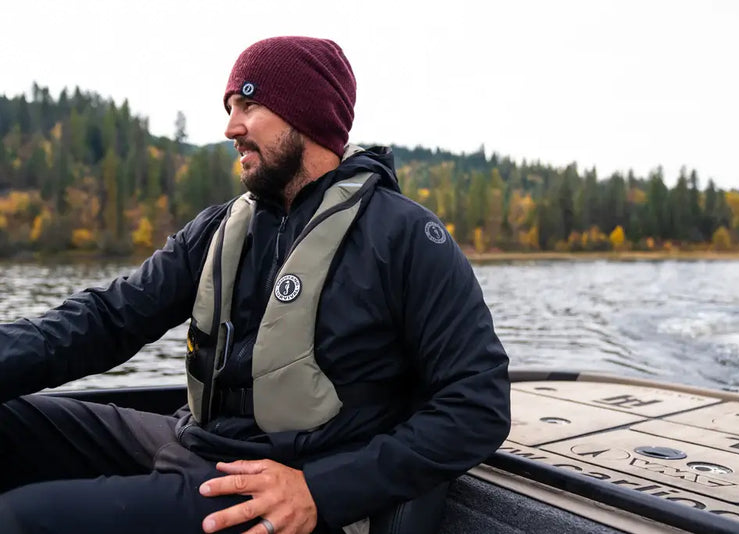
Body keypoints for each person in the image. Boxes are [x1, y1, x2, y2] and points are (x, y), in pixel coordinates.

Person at [0, 36, 511, 534]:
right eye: (228, 107)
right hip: (192, 439)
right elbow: (107, 318)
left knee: (21, 519)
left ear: (304, 114)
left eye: (247, 103)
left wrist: (321, 490)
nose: (230, 127)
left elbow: (477, 404)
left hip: (268, 481)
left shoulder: (405, 236)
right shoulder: (219, 228)